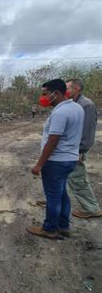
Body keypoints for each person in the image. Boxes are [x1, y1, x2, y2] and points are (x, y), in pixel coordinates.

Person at [27, 79, 84, 239]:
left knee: (53, 196)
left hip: (56, 161)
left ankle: (50, 228)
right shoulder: (77, 108)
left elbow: (53, 141)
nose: (43, 97)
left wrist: (39, 164)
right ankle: (63, 226)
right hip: (69, 159)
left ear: (56, 93)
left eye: (45, 94)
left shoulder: (60, 113)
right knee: (62, 193)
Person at [66, 79, 101, 219]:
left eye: (67, 88)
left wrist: (80, 150)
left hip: (77, 150)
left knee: (77, 178)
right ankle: (57, 198)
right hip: (71, 148)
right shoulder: (74, 103)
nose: (65, 90)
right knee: (62, 174)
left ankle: (91, 208)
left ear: (77, 89)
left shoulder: (86, 105)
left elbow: (87, 131)